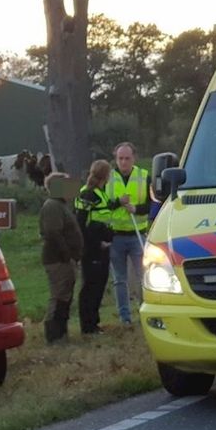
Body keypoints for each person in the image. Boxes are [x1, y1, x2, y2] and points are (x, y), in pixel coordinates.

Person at [105, 142, 153, 325]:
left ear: (134, 158)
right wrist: (118, 202)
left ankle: (145, 314)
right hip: (115, 236)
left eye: (127, 158)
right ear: (116, 159)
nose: (123, 162)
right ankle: (125, 318)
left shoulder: (144, 176)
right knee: (119, 279)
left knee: (144, 277)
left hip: (137, 235)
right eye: (120, 158)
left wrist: (137, 208)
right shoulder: (108, 178)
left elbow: (152, 204)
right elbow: (102, 205)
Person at [39, 172, 83, 344]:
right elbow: (53, 233)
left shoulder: (61, 205)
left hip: (64, 259)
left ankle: (62, 332)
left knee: (65, 295)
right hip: (58, 259)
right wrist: (67, 256)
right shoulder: (52, 206)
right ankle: (54, 334)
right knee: (58, 295)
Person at [74, 159, 114, 334]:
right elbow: (81, 224)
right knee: (90, 286)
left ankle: (94, 322)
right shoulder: (88, 194)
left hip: (103, 246)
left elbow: (103, 214)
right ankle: (88, 325)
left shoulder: (100, 192)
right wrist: (97, 242)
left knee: (99, 285)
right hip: (92, 248)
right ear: (105, 175)